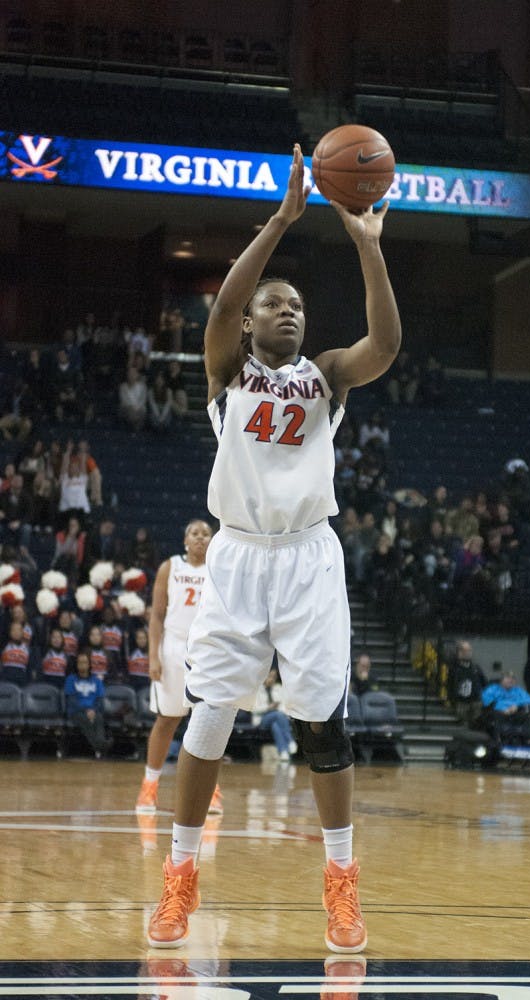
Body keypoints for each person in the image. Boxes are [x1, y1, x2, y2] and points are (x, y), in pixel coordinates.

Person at [147, 143, 401, 953]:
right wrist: (285, 221)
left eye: (295, 304)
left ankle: (341, 884)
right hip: (239, 559)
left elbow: (385, 346)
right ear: (251, 322)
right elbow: (219, 311)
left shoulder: (326, 376)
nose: (287, 311)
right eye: (273, 304)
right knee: (209, 723)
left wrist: (367, 246)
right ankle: (179, 880)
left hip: (308, 561)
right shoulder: (227, 370)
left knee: (324, 726)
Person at [135, 520, 223, 814]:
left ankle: (210, 792)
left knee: (209, 723)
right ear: (185, 540)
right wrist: (153, 657)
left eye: (206, 534)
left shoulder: (218, 569)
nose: (200, 538)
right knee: (167, 720)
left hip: (206, 652)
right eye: (194, 534)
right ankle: (149, 788)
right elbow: (157, 616)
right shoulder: (170, 567)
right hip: (172, 649)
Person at [63, 649, 112, 759]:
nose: (82, 665)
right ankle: (101, 746)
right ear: (76, 665)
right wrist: (86, 710)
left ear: (89, 664)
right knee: (84, 719)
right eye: (80, 662)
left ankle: (99, 745)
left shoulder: (96, 680)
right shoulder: (71, 679)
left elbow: (99, 699)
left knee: (99, 718)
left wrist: (93, 710)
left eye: (85, 662)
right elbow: (72, 700)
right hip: (77, 712)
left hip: (94, 710)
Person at [252, 665, 298, 762]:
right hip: (262, 719)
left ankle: (283, 752)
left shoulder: (278, 688)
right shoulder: (257, 689)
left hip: (279, 719)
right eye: (269, 676)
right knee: (278, 715)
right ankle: (289, 740)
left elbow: (283, 705)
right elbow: (254, 709)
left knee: (275, 725)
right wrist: (269, 707)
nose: (271, 679)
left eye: (273, 677)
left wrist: (279, 710)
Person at [446, 639, 487, 726]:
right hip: (461, 702)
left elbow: (485, 683)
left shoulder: (476, 668)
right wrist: (452, 700)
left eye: (469, 650)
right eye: (464, 650)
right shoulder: (454, 669)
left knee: (476, 724)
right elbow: (450, 685)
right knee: (462, 725)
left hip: (476, 702)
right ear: (459, 652)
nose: (467, 653)